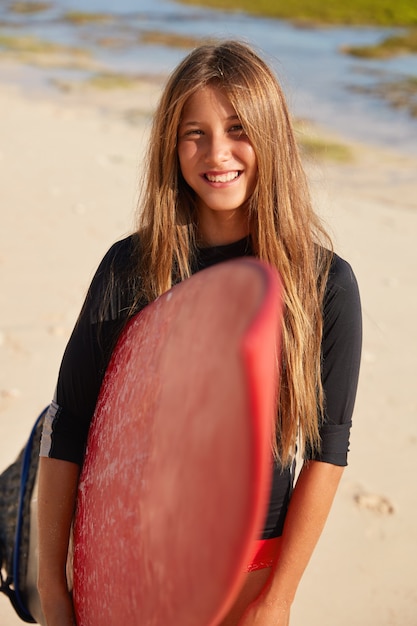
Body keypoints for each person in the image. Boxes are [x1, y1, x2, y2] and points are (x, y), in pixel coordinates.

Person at [37, 40, 362, 626]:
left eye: (238, 128)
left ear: (272, 135)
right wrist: (55, 590)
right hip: (130, 563)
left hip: (251, 568)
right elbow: (71, 430)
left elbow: (326, 454)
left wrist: (278, 599)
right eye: (195, 133)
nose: (218, 153)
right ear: (171, 144)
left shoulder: (323, 285)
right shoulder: (132, 268)